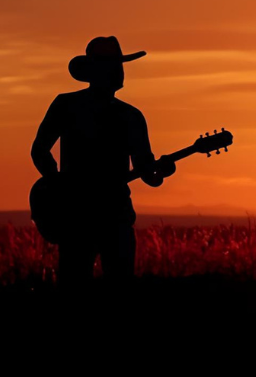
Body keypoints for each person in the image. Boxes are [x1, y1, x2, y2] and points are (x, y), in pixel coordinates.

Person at [31, 36, 174, 285]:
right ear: (95, 71)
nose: (119, 72)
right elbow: (40, 151)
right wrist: (59, 186)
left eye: (120, 66)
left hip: (113, 217)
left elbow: (145, 171)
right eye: (112, 66)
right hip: (81, 219)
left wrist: (160, 173)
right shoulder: (68, 105)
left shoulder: (131, 116)